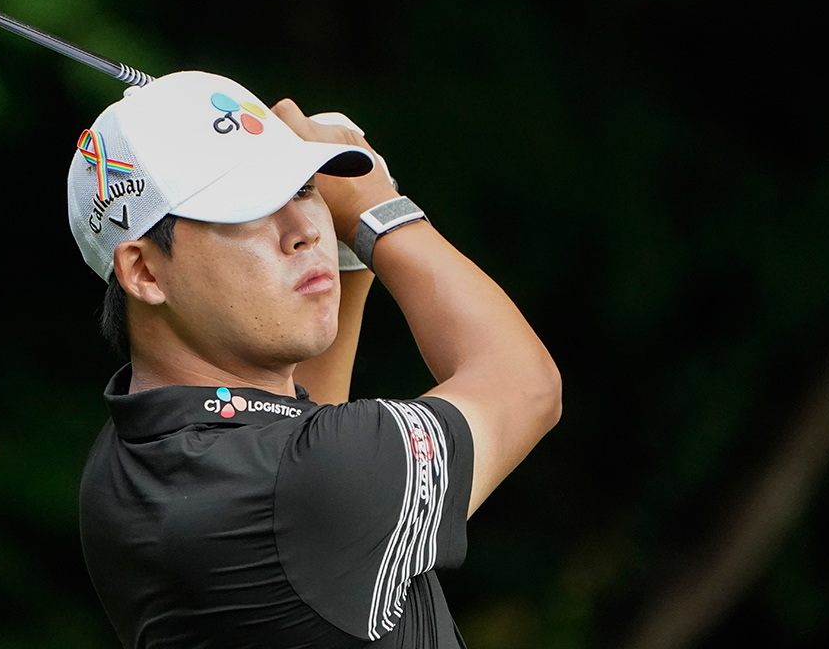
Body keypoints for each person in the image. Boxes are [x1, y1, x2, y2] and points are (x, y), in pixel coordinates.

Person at [70, 71, 561, 648]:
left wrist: (346, 258)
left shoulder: (133, 455)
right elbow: (527, 386)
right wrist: (380, 211)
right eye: (245, 209)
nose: (304, 230)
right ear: (145, 272)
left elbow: (293, 428)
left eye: (304, 189)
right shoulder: (307, 487)